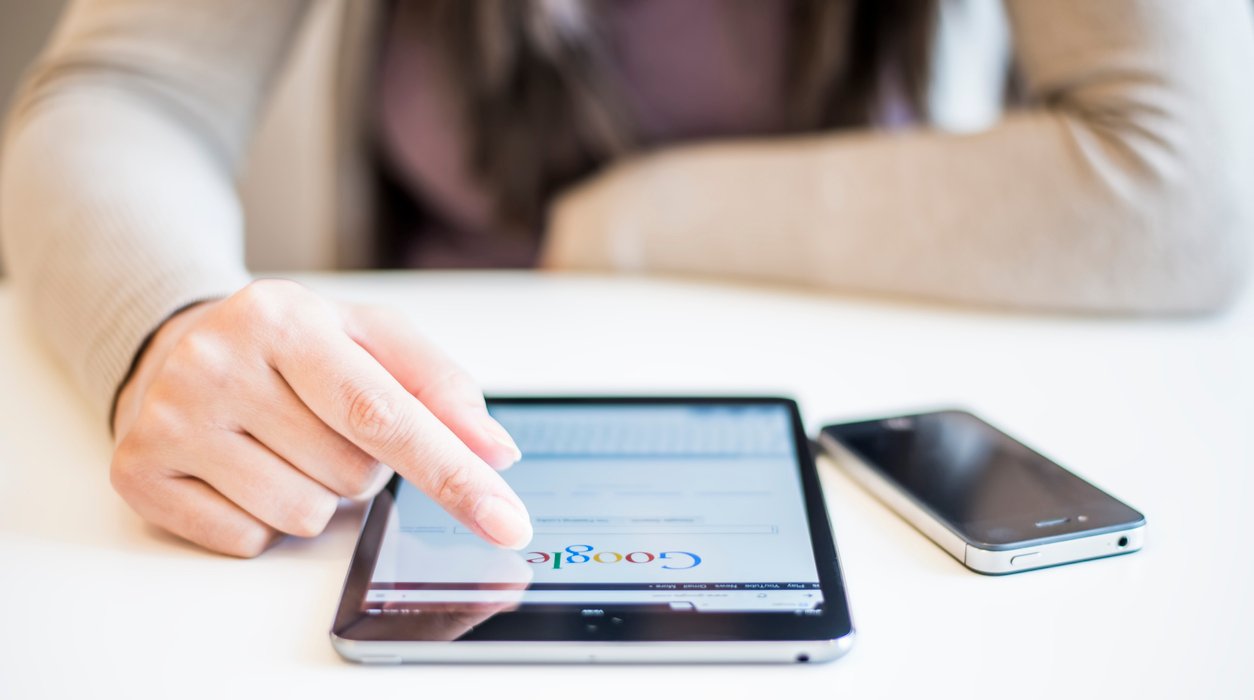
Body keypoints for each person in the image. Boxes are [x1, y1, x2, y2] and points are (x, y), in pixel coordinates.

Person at [2, 0, 1252, 558]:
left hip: (863, 409)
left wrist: (623, 226)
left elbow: (1188, 191)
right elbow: (126, 88)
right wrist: (161, 320)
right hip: (392, 463)